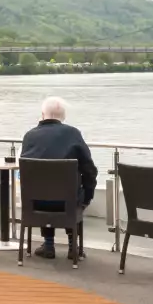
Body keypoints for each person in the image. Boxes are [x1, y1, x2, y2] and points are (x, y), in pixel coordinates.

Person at [19, 96, 98, 261]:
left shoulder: (29, 136)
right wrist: (87, 197)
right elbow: (89, 170)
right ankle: (72, 246)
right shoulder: (73, 134)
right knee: (71, 191)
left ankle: (48, 245)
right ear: (64, 116)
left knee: (44, 185)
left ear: (42, 115)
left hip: (36, 202)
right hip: (67, 203)